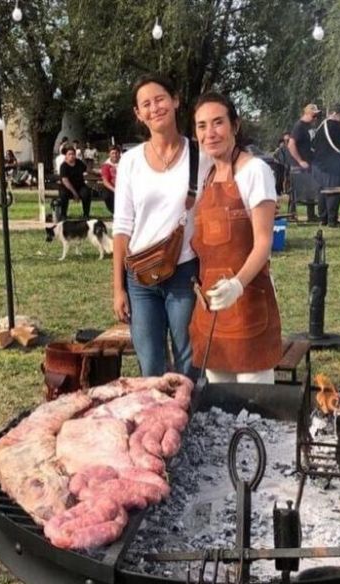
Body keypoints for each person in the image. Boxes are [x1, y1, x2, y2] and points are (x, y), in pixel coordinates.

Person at [112, 73, 211, 377]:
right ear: (138, 114)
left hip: (184, 271)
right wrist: (118, 287)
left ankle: (190, 421)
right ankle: (159, 422)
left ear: (175, 100)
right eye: (146, 104)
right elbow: (122, 226)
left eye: (160, 99)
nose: (155, 108)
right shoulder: (130, 162)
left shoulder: (201, 155)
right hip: (139, 276)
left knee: (187, 360)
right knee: (151, 364)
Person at [189, 92, 282, 383]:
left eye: (218, 123)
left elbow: (263, 243)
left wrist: (237, 285)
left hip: (249, 304)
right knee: (219, 407)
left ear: (235, 126)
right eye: (202, 126)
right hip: (212, 309)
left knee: (255, 408)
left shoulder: (255, 171)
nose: (210, 133)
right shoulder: (204, 177)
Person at [312, 106, 340, 227]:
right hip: (333, 165)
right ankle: (332, 220)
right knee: (334, 191)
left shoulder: (320, 127)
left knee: (322, 191)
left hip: (317, 165)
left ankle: (323, 219)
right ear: (337, 114)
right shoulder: (339, 125)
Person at [287, 104, 321, 221]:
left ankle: (311, 215)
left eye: (317, 115)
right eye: (313, 115)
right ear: (306, 114)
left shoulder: (309, 126)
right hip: (299, 165)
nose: (315, 118)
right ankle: (292, 215)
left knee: (311, 190)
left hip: (310, 163)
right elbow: (291, 145)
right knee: (296, 192)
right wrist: (300, 161)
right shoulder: (299, 126)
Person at [57, 148, 91, 221]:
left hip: (80, 186)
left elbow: (87, 169)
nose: (71, 156)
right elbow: (65, 181)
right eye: (69, 154)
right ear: (66, 156)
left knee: (86, 193)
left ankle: (86, 214)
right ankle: (63, 215)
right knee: (63, 194)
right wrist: (75, 193)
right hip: (67, 188)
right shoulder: (63, 166)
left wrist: (97, 172)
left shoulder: (79, 163)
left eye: (73, 154)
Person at [100, 144, 121, 214]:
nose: (115, 155)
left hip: (124, 187)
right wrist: (115, 190)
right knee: (107, 196)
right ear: (109, 154)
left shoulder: (125, 162)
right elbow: (105, 181)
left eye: (116, 153)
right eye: (112, 153)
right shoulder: (106, 165)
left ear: (119, 153)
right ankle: (115, 213)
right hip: (111, 187)